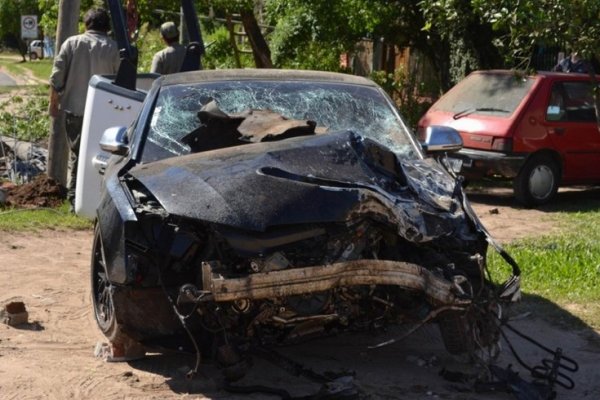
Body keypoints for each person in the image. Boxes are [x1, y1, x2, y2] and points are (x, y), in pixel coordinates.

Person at [49, 7, 121, 210]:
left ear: (85, 24)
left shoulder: (72, 43)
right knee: (103, 156)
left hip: (76, 110)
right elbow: (121, 81)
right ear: (107, 27)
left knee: (77, 155)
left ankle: (75, 200)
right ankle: (99, 200)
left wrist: (53, 104)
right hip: (106, 112)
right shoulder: (114, 48)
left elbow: (56, 79)